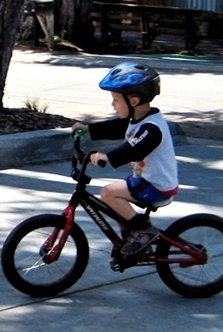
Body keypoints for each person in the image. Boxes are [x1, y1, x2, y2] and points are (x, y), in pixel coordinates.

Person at [71, 62, 179, 258]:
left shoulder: (151, 128)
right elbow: (117, 128)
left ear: (134, 101)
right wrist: (88, 128)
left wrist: (108, 157)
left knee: (109, 193)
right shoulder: (138, 120)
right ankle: (132, 238)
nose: (112, 104)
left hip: (157, 185)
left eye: (115, 99)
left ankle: (144, 232)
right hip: (145, 180)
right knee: (114, 201)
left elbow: (133, 149)